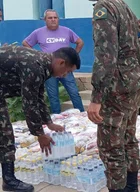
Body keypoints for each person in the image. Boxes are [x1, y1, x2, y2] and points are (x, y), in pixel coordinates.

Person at [0, 45, 80, 192]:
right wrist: (40, 135)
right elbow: (29, 104)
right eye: (67, 71)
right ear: (61, 62)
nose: (65, 75)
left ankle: (8, 179)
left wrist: (48, 123)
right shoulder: (35, 65)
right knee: (5, 132)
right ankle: (9, 180)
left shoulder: (44, 64)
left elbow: (38, 96)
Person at [86, 0, 140, 191]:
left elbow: (106, 56)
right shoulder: (124, 6)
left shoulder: (103, 8)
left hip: (116, 87)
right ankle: (131, 187)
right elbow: (136, 48)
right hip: (132, 80)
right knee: (128, 138)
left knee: (111, 147)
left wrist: (96, 97)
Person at [22, 9, 85, 114]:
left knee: (74, 92)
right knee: (53, 95)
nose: (53, 20)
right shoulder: (38, 33)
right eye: (50, 18)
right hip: (49, 69)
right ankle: (56, 117)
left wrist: (73, 56)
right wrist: (38, 56)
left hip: (65, 68)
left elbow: (80, 42)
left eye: (55, 18)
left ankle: (82, 114)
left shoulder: (66, 31)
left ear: (58, 19)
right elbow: (25, 43)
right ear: (45, 20)